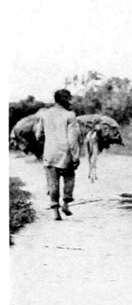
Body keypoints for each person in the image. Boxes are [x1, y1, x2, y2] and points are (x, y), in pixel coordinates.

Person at [35, 89, 81, 221]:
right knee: (69, 178)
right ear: (64, 99)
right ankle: (66, 204)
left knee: (52, 182)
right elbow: (73, 138)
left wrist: (48, 140)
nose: (70, 101)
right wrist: (76, 156)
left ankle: (55, 211)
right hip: (65, 153)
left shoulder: (44, 114)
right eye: (69, 99)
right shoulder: (70, 115)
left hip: (49, 152)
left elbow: (38, 135)